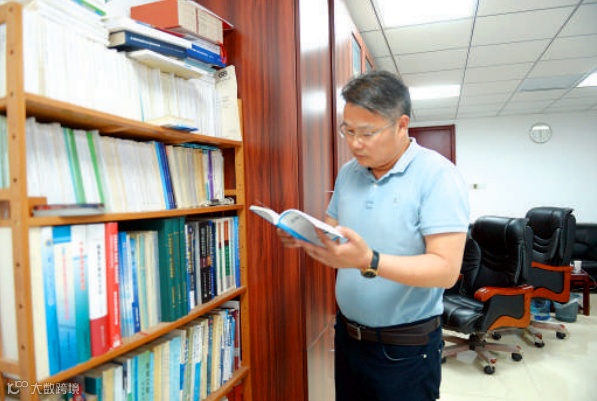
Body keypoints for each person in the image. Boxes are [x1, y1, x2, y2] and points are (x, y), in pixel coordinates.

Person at [278, 70, 470, 401]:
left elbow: (446, 270)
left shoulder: (439, 176)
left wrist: (370, 260)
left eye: (367, 133)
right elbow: (334, 235)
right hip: (348, 337)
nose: (355, 143)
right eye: (348, 131)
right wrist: (306, 235)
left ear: (401, 125)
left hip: (404, 349)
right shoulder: (348, 173)